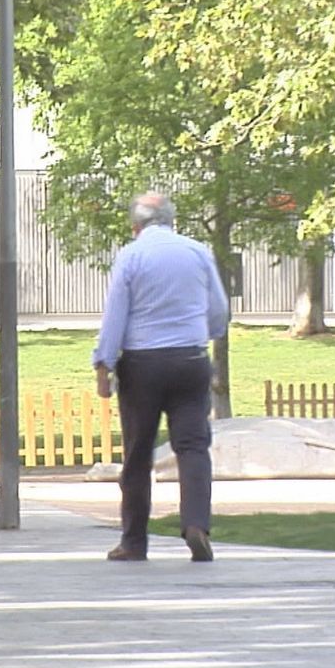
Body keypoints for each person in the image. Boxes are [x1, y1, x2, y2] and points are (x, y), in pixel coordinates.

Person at [92, 192, 229, 563]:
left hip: (143, 364)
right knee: (193, 446)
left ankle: (134, 541)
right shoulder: (198, 252)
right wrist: (202, 335)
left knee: (138, 453)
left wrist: (103, 364)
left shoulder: (131, 255)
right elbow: (218, 311)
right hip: (190, 359)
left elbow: (115, 315)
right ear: (172, 220)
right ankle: (196, 524)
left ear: (135, 226)